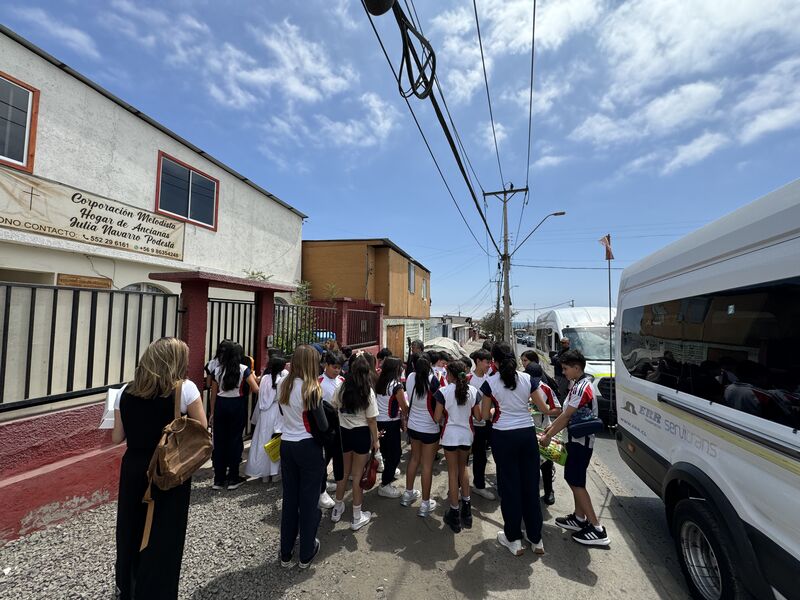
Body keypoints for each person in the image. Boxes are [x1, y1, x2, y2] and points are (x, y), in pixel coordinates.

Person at [113, 337, 207, 600]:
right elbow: (202, 431)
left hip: (133, 467)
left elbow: (116, 437)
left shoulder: (125, 391)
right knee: (165, 534)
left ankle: (128, 587)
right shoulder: (185, 389)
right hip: (167, 468)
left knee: (130, 530)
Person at [479, 342, 558, 556]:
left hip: (503, 436)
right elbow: (544, 409)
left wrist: (496, 408)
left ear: (494, 361)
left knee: (510, 487)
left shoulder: (490, 382)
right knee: (531, 486)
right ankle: (536, 538)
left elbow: (485, 416)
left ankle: (513, 538)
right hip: (526, 435)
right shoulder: (527, 379)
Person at [539, 349, 610, 547]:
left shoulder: (581, 388)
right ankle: (579, 518)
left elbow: (567, 415)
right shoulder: (577, 385)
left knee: (576, 481)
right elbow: (563, 414)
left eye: (566, 368)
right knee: (575, 480)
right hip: (576, 441)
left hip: (581, 443)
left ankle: (596, 528)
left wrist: (548, 435)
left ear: (577, 368)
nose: (563, 372)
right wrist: (551, 428)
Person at [277, 345, 330, 569]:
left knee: (290, 500)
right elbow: (323, 425)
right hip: (308, 446)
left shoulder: (283, 384)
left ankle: (286, 552)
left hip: (287, 444)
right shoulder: (312, 388)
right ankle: (306, 552)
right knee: (308, 502)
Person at [330, 356, 380, 530]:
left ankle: (337, 508)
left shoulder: (342, 387)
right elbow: (372, 420)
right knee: (358, 475)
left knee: (343, 473)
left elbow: (333, 405)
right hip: (361, 434)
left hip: (344, 433)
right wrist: (376, 441)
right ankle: (357, 516)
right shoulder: (367, 391)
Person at [433, 360, 481, 533]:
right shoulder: (473, 391)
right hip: (467, 436)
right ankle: (467, 510)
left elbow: (437, 417)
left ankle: (454, 513)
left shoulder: (443, 392)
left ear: (450, 375)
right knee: (464, 469)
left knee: (453, 474)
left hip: (450, 437)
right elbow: (478, 417)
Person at [210, 343, 259, 490]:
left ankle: (218, 478)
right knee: (235, 440)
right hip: (237, 405)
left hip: (220, 405)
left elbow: (213, 395)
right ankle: (233, 477)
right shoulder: (244, 369)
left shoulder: (217, 370)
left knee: (219, 441)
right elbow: (256, 388)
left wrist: (212, 413)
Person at [402, 355, 441, 517]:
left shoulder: (410, 377)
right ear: (430, 365)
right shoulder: (433, 380)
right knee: (427, 465)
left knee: (414, 459)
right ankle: (425, 504)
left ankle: (407, 494)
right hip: (430, 428)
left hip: (413, 426)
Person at [245, 356, 288, 482]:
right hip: (277, 411)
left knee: (263, 441)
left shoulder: (264, 378)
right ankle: (274, 473)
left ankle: (263, 474)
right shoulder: (282, 379)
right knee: (275, 441)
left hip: (264, 413)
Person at [374, 356, 408, 497]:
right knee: (395, 454)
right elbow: (404, 408)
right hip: (391, 422)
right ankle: (385, 484)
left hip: (379, 421)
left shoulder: (380, 382)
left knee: (387, 452)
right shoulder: (396, 386)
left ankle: (389, 471)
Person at [318, 352, 346, 508]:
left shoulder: (342, 380)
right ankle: (320, 491)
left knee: (337, 457)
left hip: (340, 425)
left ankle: (327, 482)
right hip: (325, 427)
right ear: (325, 365)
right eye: (334, 367)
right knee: (323, 458)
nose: (337, 370)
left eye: (339, 367)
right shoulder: (319, 382)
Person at [468, 349, 495, 500]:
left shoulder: (490, 380)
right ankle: (459, 487)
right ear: (478, 361)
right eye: (487, 362)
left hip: (486, 424)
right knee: (463, 457)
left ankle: (479, 485)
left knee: (480, 456)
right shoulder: (468, 379)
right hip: (470, 425)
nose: (489, 365)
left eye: (490, 362)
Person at [533, 378, 561, 505]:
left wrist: (545, 410)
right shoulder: (519, 385)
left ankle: (549, 491)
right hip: (526, 431)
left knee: (546, 464)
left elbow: (558, 409)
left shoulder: (545, 389)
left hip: (543, 430)